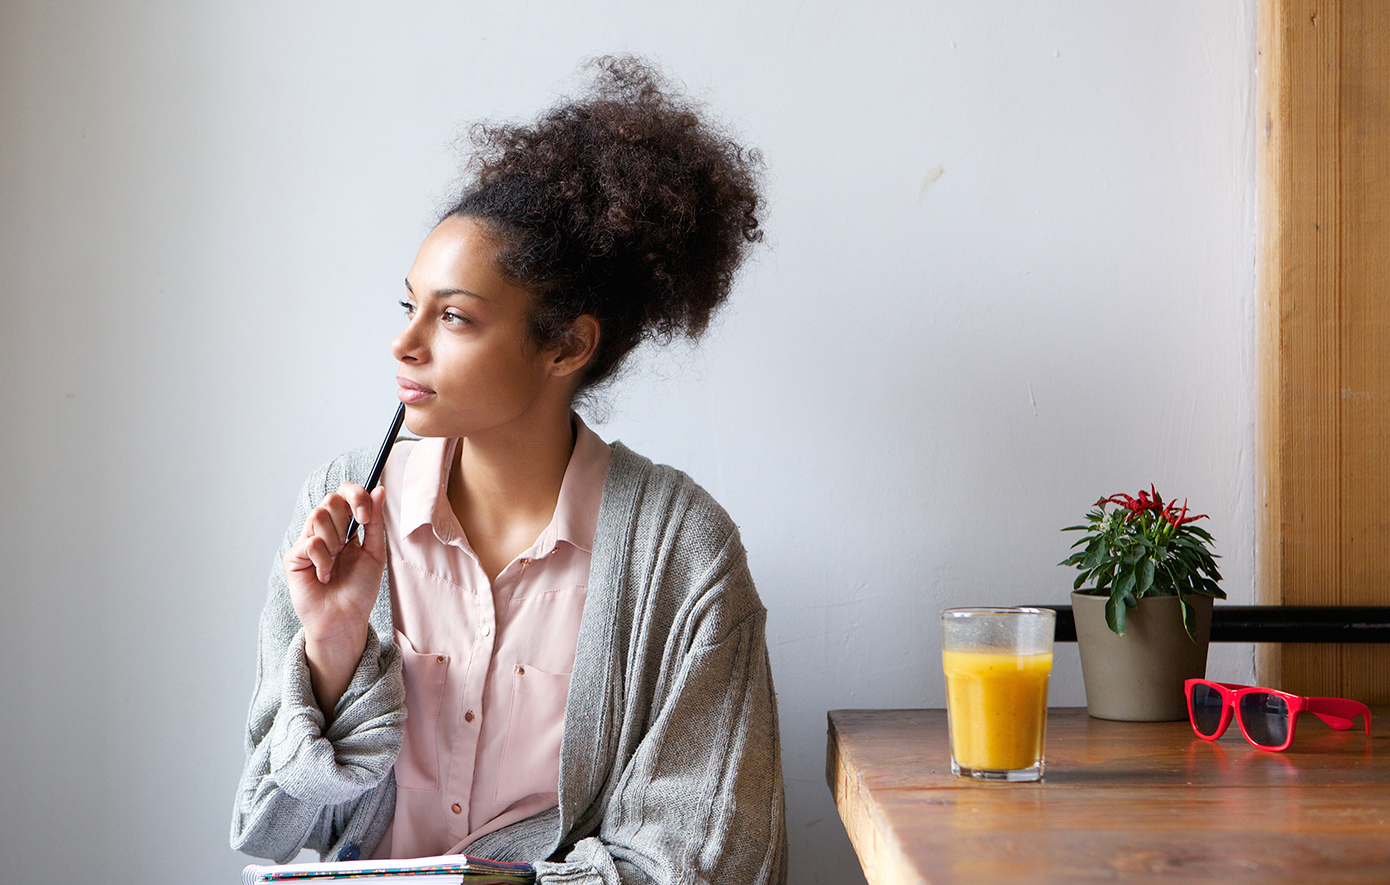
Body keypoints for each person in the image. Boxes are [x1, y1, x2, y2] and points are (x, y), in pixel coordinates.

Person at [230, 56, 786, 885]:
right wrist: (335, 648)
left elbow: (708, 860)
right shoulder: (341, 511)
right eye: (408, 305)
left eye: (453, 316)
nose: (405, 342)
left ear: (568, 344)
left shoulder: (684, 551)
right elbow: (273, 823)